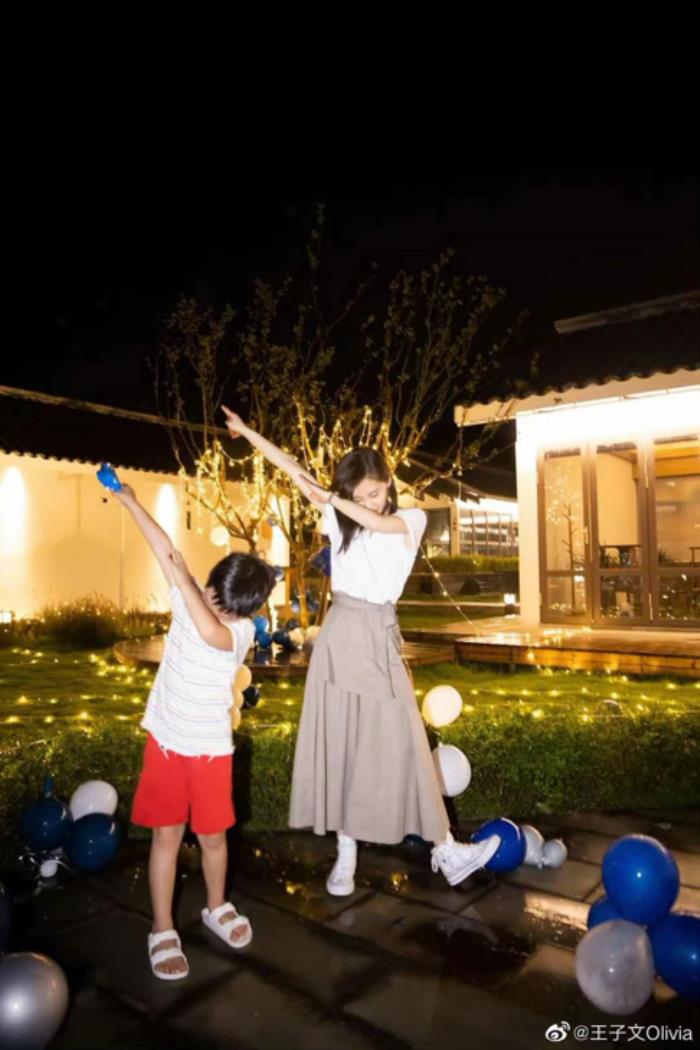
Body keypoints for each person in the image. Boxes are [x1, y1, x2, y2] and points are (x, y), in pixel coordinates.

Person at [221, 406, 500, 897]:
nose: (370, 501)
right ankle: (348, 853)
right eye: (360, 495)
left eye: (376, 492)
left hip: (380, 634)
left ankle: (445, 849)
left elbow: (378, 523)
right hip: (343, 632)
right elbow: (293, 467)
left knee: (407, 739)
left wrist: (336, 500)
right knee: (344, 740)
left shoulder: (410, 519)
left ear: (389, 484)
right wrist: (247, 433)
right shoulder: (339, 517)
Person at [112, 482, 277, 979]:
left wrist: (185, 582)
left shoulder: (238, 632)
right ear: (212, 581)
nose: (211, 603)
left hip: (210, 753)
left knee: (213, 838)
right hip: (167, 743)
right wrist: (130, 501)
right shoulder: (195, 594)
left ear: (244, 614)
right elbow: (163, 546)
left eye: (223, 605)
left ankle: (216, 905)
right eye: (211, 593)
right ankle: (162, 927)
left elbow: (210, 630)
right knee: (166, 837)